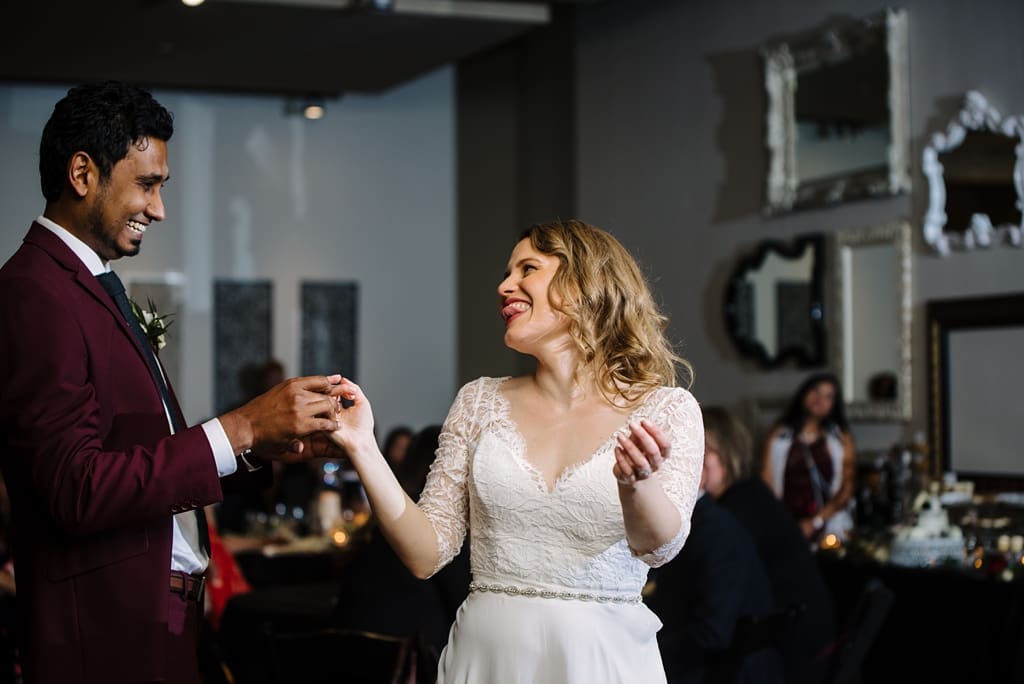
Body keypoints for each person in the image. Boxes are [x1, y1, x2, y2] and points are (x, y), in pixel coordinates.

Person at [0, 81, 344, 684]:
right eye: (147, 184)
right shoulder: (33, 292)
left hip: (152, 616)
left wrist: (254, 445)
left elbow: (135, 449)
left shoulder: (86, 283)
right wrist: (235, 427)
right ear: (83, 173)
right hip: (103, 630)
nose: (157, 209)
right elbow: (72, 488)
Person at [328, 219, 704, 682]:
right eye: (508, 272)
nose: (505, 286)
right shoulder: (478, 401)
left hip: (601, 662)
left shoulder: (666, 408)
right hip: (486, 660)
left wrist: (637, 484)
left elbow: (659, 548)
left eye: (527, 268)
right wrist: (362, 446)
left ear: (584, 283)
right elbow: (425, 555)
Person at [702, 406, 835, 684]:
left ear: (729, 452)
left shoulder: (737, 508)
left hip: (791, 646)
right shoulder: (748, 493)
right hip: (796, 632)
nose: (695, 461)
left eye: (706, 452)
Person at [645, 483, 783, 684]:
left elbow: (713, 633)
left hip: (720, 671)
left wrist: (648, 648)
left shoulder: (713, 531)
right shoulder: (702, 522)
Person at [761, 373, 856, 545]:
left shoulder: (840, 440)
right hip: (785, 525)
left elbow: (846, 489)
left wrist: (816, 521)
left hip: (829, 526)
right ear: (804, 393)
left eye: (828, 396)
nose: (820, 399)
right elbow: (767, 484)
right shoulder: (778, 436)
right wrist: (784, 523)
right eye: (816, 391)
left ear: (834, 404)